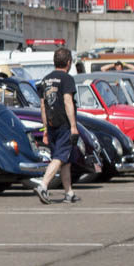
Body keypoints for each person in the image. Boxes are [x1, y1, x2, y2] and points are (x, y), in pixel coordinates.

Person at [32, 47, 80, 204]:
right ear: (68, 62)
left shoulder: (45, 80)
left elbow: (43, 106)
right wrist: (73, 126)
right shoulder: (67, 79)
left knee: (64, 159)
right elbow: (67, 101)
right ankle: (43, 185)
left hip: (52, 124)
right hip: (64, 124)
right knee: (60, 156)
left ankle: (69, 193)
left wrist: (45, 128)